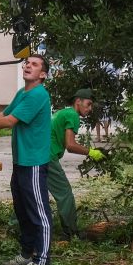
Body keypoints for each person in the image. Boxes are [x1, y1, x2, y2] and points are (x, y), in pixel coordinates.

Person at [0, 54, 54, 265]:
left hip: (34, 162)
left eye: (34, 64)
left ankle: (42, 260)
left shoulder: (38, 94)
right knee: (23, 210)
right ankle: (27, 254)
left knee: (39, 211)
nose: (28, 65)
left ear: (42, 74)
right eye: (27, 63)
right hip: (21, 161)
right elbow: (3, 114)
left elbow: (9, 121)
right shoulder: (23, 93)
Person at [48, 88, 105, 239]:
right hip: (48, 157)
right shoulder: (73, 115)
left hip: (39, 154)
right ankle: (71, 233)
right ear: (78, 101)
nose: (90, 108)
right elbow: (70, 145)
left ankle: (15, 227)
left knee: (35, 194)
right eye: (89, 104)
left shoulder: (63, 112)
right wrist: (91, 152)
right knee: (65, 194)